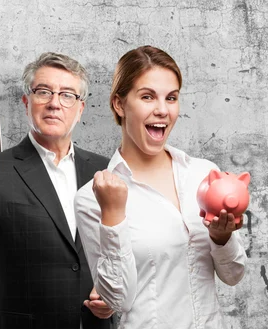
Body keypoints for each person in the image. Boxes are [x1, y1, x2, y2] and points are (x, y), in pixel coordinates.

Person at [0, 52, 114, 329]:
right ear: (26, 102)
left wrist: (115, 296)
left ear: (80, 108)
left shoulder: (104, 170)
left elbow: (122, 252)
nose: (54, 103)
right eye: (43, 92)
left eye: (66, 95)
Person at [74, 46, 247, 328]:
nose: (163, 110)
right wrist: (114, 215)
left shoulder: (204, 175)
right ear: (119, 104)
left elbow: (234, 275)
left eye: (171, 98)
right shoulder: (93, 199)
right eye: (147, 97)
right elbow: (119, 300)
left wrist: (220, 238)